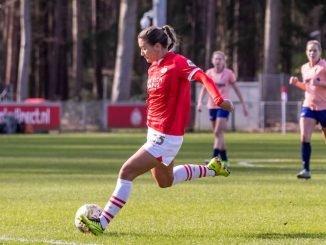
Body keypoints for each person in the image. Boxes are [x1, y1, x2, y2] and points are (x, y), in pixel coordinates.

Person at [79, 25, 234, 235]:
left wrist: (218, 99)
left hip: (166, 137)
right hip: (155, 134)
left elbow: (204, 78)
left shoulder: (178, 63)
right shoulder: (153, 66)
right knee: (165, 181)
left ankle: (102, 223)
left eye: (144, 48)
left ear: (159, 46)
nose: (142, 52)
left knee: (126, 172)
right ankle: (213, 168)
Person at [196, 51, 248, 167]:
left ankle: (214, 159)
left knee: (217, 132)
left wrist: (243, 105)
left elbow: (237, 90)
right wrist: (200, 102)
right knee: (218, 135)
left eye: (220, 59)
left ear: (224, 61)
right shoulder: (209, 73)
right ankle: (224, 159)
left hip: (224, 105)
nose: (218, 61)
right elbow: (204, 89)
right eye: (216, 59)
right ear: (212, 60)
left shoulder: (229, 73)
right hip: (211, 105)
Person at [289, 40, 326, 179]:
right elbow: (308, 87)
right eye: (310, 50)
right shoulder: (304, 68)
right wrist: (297, 83)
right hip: (309, 106)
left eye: (315, 50)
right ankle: (306, 170)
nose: (312, 53)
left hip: (324, 107)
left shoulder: (324, 66)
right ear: (306, 52)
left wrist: (320, 83)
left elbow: (317, 84)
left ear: (320, 52)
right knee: (304, 137)